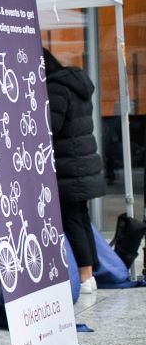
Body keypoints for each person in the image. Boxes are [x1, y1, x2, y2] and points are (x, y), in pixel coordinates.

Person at [43, 48, 104, 293]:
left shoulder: (55, 88)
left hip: (69, 168)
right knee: (81, 219)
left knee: (73, 221)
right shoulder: (76, 84)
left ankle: (85, 274)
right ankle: (92, 272)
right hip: (82, 165)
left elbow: (52, 126)